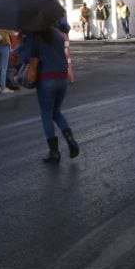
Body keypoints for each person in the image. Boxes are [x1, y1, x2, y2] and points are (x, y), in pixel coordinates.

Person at [17, 20, 79, 164]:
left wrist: (22, 42)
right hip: (62, 79)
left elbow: (25, 58)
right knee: (56, 112)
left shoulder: (35, 36)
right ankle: (71, 141)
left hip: (46, 80)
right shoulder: (58, 34)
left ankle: (54, 152)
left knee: (46, 115)